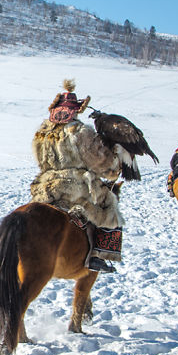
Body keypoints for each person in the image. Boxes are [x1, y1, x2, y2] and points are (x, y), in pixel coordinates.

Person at [30, 79, 124, 273]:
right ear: (76, 110)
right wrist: (113, 169)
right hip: (76, 187)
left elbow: (40, 160)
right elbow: (101, 162)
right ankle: (98, 255)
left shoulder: (41, 132)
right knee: (110, 206)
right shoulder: (81, 132)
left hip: (45, 187)